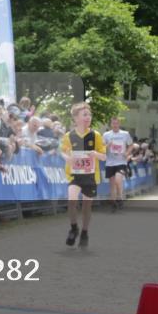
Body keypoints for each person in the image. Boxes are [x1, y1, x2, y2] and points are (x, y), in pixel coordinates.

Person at [60, 102, 106, 249]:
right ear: (76, 118)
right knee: (71, 199)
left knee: (87, 206)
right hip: (74, 175)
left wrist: (95, 154)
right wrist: (67, 158)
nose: (88, 117)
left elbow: (104, 157)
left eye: (89, 115)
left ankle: (85, 232)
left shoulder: (96, 135)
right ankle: (74, 228)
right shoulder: (69, 136)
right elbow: (63, 151)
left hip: (91, 175)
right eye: (84, 115)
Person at [103, 116, 132, 212]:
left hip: (121, 162)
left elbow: (131, 145)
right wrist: (108, 145)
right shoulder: (106, 135)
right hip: (110, 162)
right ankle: (113, 203)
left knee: (118, 179)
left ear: (119, 124)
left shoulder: (125, 134)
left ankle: (120, 196)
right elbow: (102, 149)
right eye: (113, 123)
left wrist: (127, 153)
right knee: (112, 184)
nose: (115, 125)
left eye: (117, 123)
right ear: (111, 124)